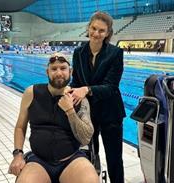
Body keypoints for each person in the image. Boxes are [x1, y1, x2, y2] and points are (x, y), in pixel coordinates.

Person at [8, 52, 99, 183]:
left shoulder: (78, 98)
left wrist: (70, 111)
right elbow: (20, 127)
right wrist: (18, 154)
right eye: (54, 69)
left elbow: (85, 139)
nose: (58, 73)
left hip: (71, 159)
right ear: (47, 72)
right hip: (39, 161)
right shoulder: (31, 93)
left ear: (70, 71)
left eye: (63, 68)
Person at [70, 11, 126, 183]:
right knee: (90, 156)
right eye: (94, 28)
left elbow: (111, 86)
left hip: (111, 114)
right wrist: (69, 90)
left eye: (101, 31)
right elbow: (76, 81)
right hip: (88, 115)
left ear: (108, 33)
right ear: (88, 28)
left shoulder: (115, 53)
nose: (96, 33)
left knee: (114, 159)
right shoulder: (78, 52)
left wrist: (86, 89)